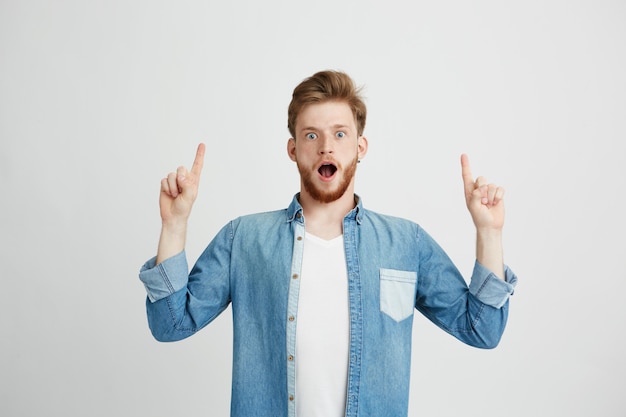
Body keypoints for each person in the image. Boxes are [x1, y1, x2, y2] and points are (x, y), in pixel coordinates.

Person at [139, 70, 517, 417]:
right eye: (311, 135)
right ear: (293, 149)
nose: (326, 147)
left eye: (340, 133)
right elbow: (171, 325)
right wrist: (174, 226)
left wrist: (489, 233)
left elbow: (481, 330)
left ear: (360, 147)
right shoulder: (244, 239)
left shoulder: (406, 242)